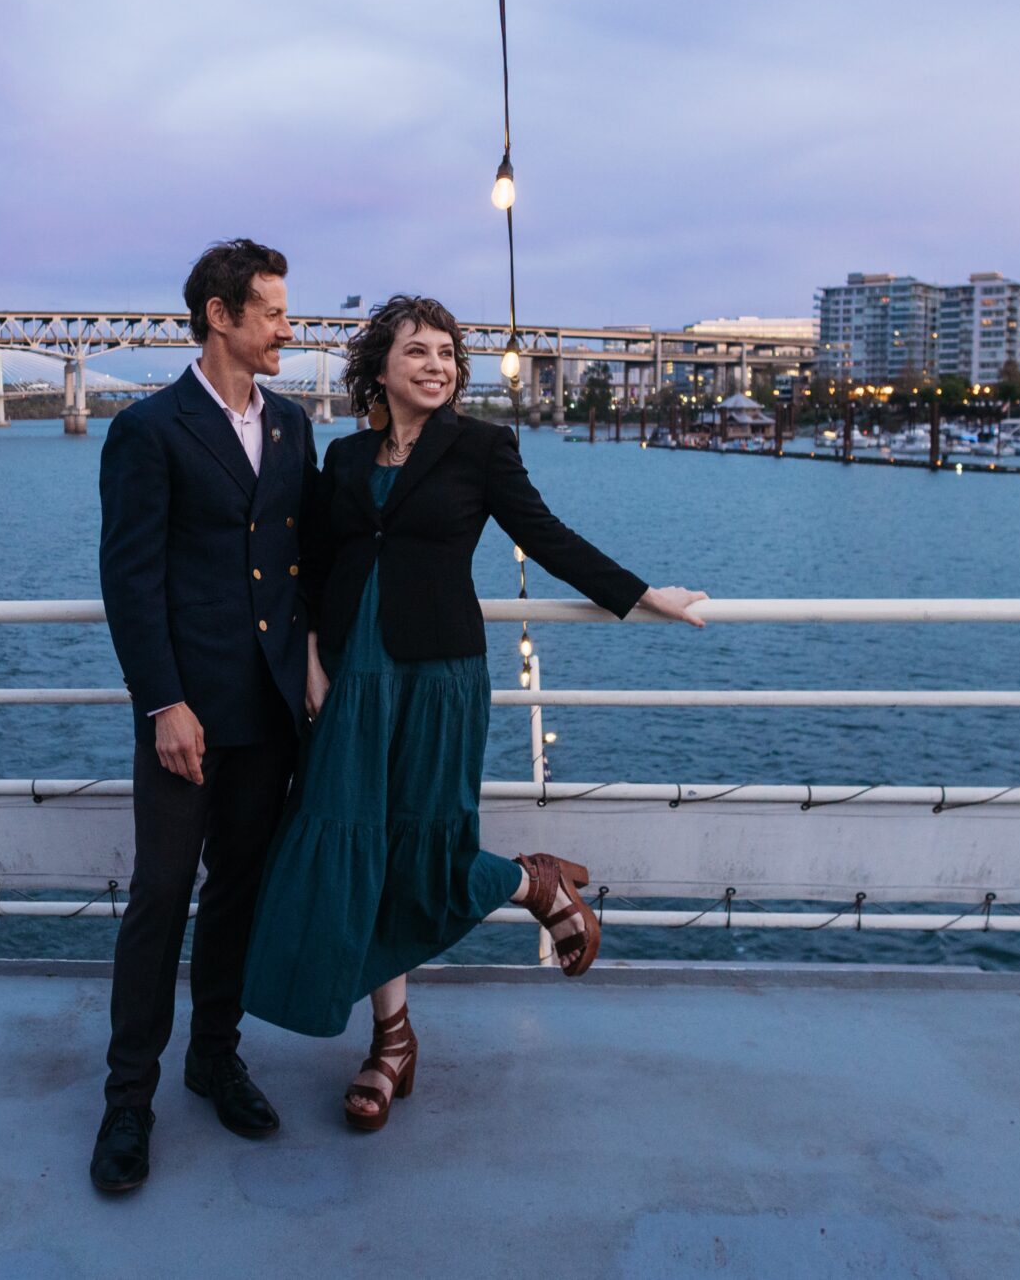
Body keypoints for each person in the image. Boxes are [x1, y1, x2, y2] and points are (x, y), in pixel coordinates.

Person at [241, 294, 707, 1131]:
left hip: (440, 676)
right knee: (347, 853)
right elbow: (309, 568)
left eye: (449, 354)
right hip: (351, 680)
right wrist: (311, 659)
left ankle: (526, 883)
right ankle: (393, 1038)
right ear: (379, 368)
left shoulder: (482, 448)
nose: (437, 364)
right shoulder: (344, 461)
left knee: (424, 853)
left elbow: (547, 534)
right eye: (417, 351)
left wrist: (642, 596)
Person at [90, 239, 316, 1195]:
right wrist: (163, 702)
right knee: (159, 900)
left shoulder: (297, 425)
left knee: (237, 898)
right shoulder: (150, 429)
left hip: (270, 712)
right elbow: (130, 579)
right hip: (188, 717)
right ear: (220, 316)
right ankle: (127, 1099)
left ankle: (212, 1057)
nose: (287, 328)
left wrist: (310, 665)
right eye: (271, 311)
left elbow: (304, 559)